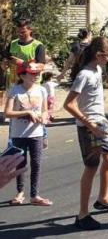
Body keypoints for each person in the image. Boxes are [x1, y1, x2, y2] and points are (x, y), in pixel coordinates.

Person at [63, 37, 108, 230]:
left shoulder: (98, 69)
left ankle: (103, 198)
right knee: (91, 167)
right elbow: (68, 104)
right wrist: (91, 124)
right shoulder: (84, 75)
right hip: (89, 128)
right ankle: (82, 215)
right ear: (99, 55)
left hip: (99, 125)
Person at [5, 62, 51, 206]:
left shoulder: (41, 90)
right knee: (21, 164)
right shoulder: (15, 90)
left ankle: (34, 195)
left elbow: (45, 110)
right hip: (19, 134)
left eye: (37, 73)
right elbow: (8, 113)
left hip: (36, 133)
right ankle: (20, 193)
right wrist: (28, 112)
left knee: (36, 163)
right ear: (22, 75)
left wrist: (44, 117)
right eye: (32, 73)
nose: (36, 76)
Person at [4, 19, 46, 87]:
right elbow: (6, 60)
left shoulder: (38, 45)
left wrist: (22, 63)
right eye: (17, 31)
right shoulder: (12, 43)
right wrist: (4, 64)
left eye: (23, 32)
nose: (19, 34)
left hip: (31, 85)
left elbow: (41, 66)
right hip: (13, 84)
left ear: (30, 30)